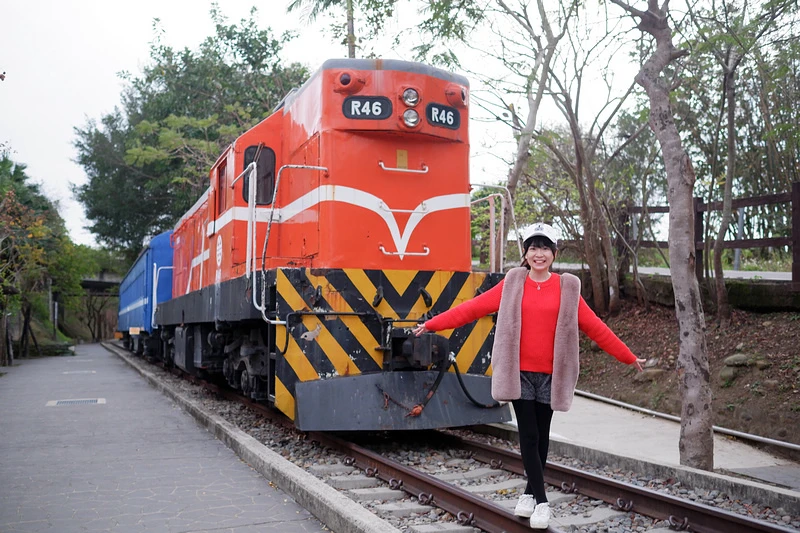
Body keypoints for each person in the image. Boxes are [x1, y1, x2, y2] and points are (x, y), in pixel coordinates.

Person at [412, 222, 644, 530]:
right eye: (533, 248)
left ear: (554, 253)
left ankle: (527, 495)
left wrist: (627, 356)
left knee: (542, 437)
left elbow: (595, 327)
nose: (539, 254)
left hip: (551, 376)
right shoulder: (513, 283)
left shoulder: (567, 287)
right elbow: (473, 308)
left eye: (545, 248)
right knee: (529, 435)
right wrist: (431, 325)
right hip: (518, 373)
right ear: (525, 253)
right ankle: (543, 502)